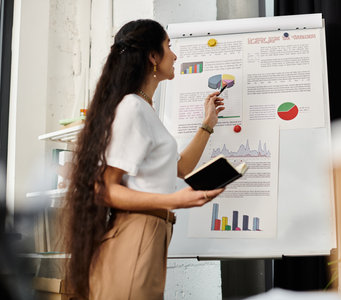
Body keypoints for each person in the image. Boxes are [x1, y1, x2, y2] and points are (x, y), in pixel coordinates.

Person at [64, 19, 225, 300]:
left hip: (151, 234)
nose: (174, 55)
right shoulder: (132, 109)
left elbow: (182, 168)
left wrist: (208, 123)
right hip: (136, 233)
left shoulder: (144, 109)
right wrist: (175, 201)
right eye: (168, 47)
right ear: (153, 56)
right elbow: (106, 189)